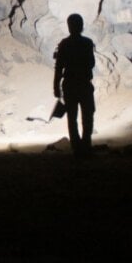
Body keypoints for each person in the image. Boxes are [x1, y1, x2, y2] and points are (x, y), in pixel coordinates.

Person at [54, 13, 96, 156]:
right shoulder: (87, 43)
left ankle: (76, 146)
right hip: (84, 83)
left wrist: (56, 86)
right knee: (88, 115)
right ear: (82, 26)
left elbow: (59, 67)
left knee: (72, 117)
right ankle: (86, 143)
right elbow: (91, 63)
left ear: (69, 27)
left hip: (70, 84)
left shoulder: (64, 44)